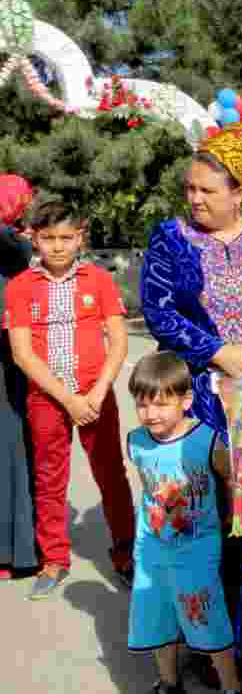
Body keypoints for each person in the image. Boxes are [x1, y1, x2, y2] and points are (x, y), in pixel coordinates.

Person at [5, 199, 137, 599]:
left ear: (80, 237)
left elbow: (118, 342)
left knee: (111, 474)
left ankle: (126, 553)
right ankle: (54, 559)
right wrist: (67, 399)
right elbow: (22, 354)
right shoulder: (20, 287)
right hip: (47, 398)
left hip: (96, 395)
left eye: (66, 237)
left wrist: (96, 392)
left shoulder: (98, 280)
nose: (58, 246)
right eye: (48, 238)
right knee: (49, 478)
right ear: (34, 239)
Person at [141, 124, 242, 438]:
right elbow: (158, 312)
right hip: (192, 389)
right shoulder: (170, 236)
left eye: (206, 191)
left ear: (239, 193)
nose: (194, 199)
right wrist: (219, 352)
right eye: (190, 188)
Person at [125, 352, 242, 694]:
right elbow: (149, 488)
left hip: (197, 548)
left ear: (186, 401)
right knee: (156, 613)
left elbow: (230, 477)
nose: (151, 414)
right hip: (151, 547)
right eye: (143, 405)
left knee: (205, 614)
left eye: (161, 404)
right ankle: (169, 681)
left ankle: (231, 686)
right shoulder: (136, 441)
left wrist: (232, 515)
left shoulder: (207, 440)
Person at [0, 217, 36, 579]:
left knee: (13, 451)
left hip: (9, 354)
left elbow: (17, 248)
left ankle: (15, 551)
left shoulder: (12, 243)